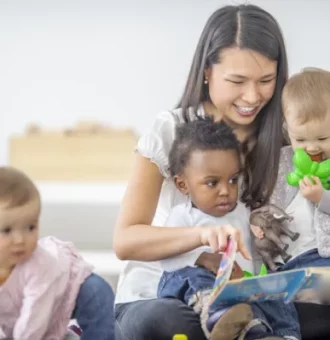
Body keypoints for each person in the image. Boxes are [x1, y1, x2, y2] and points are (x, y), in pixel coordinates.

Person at [114, 3, 289, 340]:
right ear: (207, 71)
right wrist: (201, 237)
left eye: (266, 80)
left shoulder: (283, 142)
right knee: (177, 322)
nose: (252, 96)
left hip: (242, 296)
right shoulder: (171, 129)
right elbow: (126, 240)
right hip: (158, 294)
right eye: (237, 80)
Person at [157, 118, 300, 340]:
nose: (226, 190)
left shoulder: (242, 212)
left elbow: (252, 258)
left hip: (238, 287)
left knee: (275, 288)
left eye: (233, 180)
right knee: (188, 275)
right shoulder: (183, 216)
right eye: (212, 183)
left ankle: (280, 335)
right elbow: (166, 259)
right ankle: (218, 315)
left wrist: (259, 253)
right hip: (201, 289)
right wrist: (203, 258)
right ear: (183, 185)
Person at [0, 167, 116, 340]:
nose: (19, 240)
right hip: (27, 315)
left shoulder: (39, 265)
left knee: (97, 293)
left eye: (30, 227)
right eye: (7, 230)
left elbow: (35, 317)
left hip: (67, 289)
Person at [252, 68, 330, 298]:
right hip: (290, 261)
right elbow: (267, 202)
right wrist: (259, 224)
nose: (312, 147)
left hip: (324, 255)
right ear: (288, 130)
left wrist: (321, 198)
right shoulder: (282, 161)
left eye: (323, 138)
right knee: (282, 295)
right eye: (301, 139)